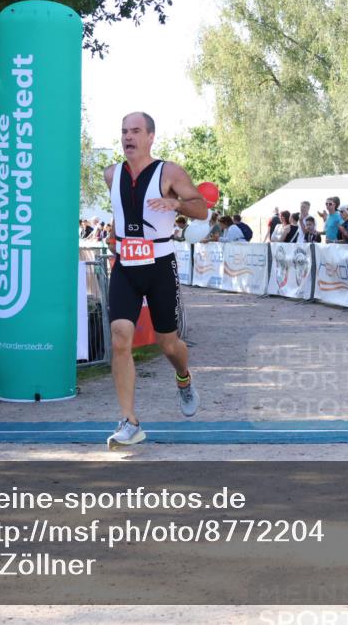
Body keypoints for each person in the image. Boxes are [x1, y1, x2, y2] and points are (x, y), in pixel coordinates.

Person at [102, 112, 206, 448]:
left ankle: (183, 377)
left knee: (168, 344)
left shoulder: (169, 171)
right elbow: (122, 213)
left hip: (160, 265)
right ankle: (130, 421)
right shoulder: (110, 174)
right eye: (123, 132)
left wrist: (175, 202)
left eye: (135, 131)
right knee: (120, 337)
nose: (128, 137)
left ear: (150, 136)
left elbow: (201, 209)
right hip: (125, 267)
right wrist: (116, 236)